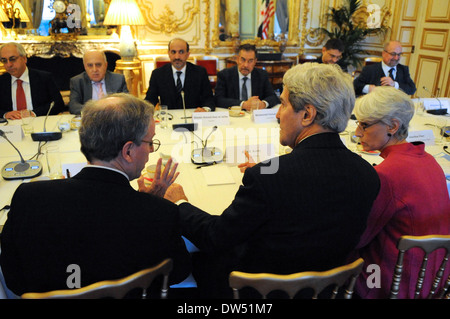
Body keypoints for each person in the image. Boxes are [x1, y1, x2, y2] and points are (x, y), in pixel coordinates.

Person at [164, 63, 381, 298]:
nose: (277, 114)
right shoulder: (368, 174)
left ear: (307, 115)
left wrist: (179, 204)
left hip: (261, 293)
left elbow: (217, 237)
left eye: (284, 104)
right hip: (327, 290)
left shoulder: (269, 178)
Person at [0, 93, 191, 296]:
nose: (152, 150)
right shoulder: (161, 213)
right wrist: (150, 203)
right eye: (149, 142)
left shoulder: (28, 197)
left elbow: (13, 279)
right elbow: (178, 274)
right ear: (127, 151)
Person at [351, 86, 450, 299]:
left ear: (393, 126)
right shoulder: (430, 160)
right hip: (435, 279)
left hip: (397, 284)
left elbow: (359, 238)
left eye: (365, 125)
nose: (357, 132)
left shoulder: (387, 174)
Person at [145, 38, 215, 112]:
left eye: (181, 52)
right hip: (169, 118)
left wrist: (205, 110)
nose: (177, 57)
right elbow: (150, 100)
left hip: (193, 117)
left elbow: (209, 99)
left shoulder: (200, 72)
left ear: (188, 54)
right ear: (169, 54)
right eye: (173, 52)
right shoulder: (158, 74)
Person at [0, 42, 65, 120]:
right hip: (10, 127)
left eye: (12, 59)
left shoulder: (44, 78)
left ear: (24, 59)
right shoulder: (1, 81)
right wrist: (5, 114)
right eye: (4, 61)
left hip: (38, 123)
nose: (8, 65)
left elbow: (58, 104)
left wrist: (34, 113)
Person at [214, 43, 280, 110]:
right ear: (237, 59)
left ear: (255, 61)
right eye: (243, 60)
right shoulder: (224, 75)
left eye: (250, 61)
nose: (246, 65)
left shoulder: (262, 75)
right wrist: (243, 104)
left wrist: (263, 104)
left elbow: (273, 97)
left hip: (254, 115)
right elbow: (218, 99)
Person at [68, 50, 128, 115]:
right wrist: (97, 110)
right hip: (90, 119)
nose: (94, 70)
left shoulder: (118, 79)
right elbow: (73, 106)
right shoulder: (77, 81)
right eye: (90, 65)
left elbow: (127, 103)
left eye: (98, 65)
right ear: (85, 67)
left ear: (105, 65)